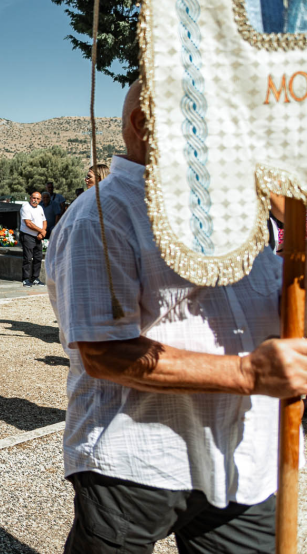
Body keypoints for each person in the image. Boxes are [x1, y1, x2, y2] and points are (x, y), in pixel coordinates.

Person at [47, 80, 307, 552]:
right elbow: (105, 353)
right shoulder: (101, 217)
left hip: (246, 457)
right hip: (136, 460)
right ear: (144, 125)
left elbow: (276, 300)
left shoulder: (245, 210)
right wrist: (248, 371)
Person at [19, 190, 46, 287]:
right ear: (30, 198)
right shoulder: (25, 208)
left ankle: (35, 278)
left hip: (38, 236)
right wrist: (41, 231)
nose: (35, 200)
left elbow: (44, 221)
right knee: (28, 258)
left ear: (40, 200)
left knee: (38, 257)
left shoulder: (40, 208)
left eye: (38, 199)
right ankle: (26, 279)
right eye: (34, 198)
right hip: (28, 235)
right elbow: (28, 223)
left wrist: (42, 232)